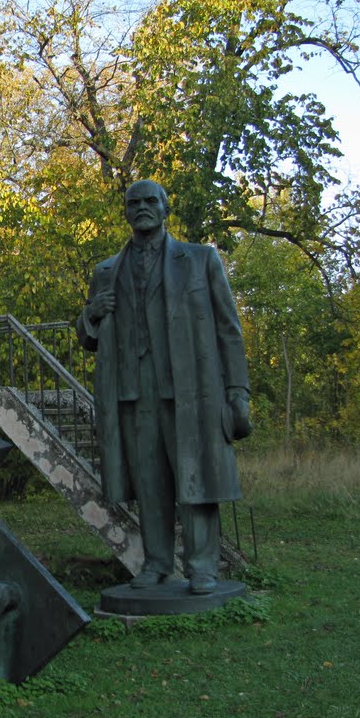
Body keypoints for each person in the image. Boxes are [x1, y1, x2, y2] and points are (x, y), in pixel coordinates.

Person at [76, 180, 252, 594]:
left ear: (165, 207)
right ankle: (156, 563)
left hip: (191, 391)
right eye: (133, 202)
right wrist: (91, 314)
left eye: (150, 200)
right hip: (133, 393)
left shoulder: (200, 260)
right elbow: (88, 338)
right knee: (150, 483)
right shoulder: (106, 271)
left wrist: (237, 391)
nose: (142, 208)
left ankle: (202, 567)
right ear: (126, 212)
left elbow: (230, 331)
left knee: (196, 479)